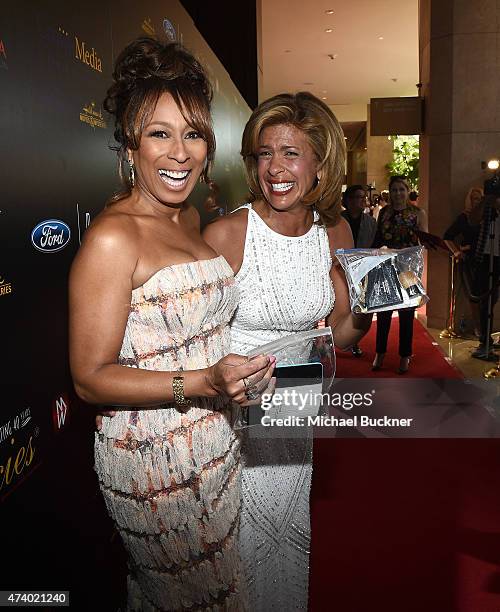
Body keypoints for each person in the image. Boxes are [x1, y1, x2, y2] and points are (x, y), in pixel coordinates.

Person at [69, 38, 274, 611]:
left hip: (217, 442)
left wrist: (240, 374)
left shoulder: (190, 216)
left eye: (193, 133)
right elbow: (89, 378)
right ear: (130, 144)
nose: (179, 153)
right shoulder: (114, 238)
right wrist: (203, 382)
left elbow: (203, 335)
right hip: (151, 464)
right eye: (159, 133)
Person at [203, 92, 372, 611]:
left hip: (297, 407)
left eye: (291, 153)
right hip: (233, 414)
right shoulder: (228, 234)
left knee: (286, 533)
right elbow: (196, 348)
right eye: (264, 153)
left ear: (320, 163)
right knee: (237, 544)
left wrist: (372, 302)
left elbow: (341, 333)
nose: (275, 168)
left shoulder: (335, 232)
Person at [372, 176, 428, 374]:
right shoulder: (384, 212)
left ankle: (405, 355)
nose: (398, 194)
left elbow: (423, 243)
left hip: (408, 269)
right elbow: (378, 239)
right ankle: (380, 352)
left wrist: (411, 257)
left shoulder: (417, 213)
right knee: (383, 312)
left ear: (407, 190)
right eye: (394, 190)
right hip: (386, 266)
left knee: (406, 313)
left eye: (401, 190)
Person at [341, 184, 377, 356]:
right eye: (358, 197)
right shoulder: (339, 220)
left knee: (358, 308)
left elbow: (374, 246)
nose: (363, 200)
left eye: (364, 197)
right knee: (339, 306)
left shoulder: (370, 222)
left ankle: (353, 342)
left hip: (362, 269)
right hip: (339, 269)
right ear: (348, 200)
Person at [443, 187, 483, 337]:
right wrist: (457, 251)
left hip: (485, 259)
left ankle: (484, 326)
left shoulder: (488, 217)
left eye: (479, 198)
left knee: (486, 296)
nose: (476, 201)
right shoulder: (464, 217)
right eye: (474, 198)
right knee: (473, 296)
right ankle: (478, 327)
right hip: (469, 260)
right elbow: (447, 236)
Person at [468, 181, 500, 359]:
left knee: (494, 299)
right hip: (485, 256)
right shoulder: (487, 205)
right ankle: (484, 341)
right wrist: (487, 200)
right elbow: (473, 220)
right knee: (484, 300)